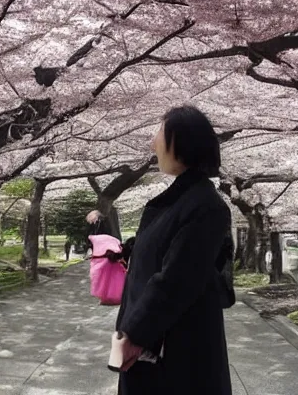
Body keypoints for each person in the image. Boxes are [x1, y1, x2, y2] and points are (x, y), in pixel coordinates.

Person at [114, 105, 235, 395]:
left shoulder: (204, 205)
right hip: (157, 340)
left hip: (177, 348)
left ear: (181, 140)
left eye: (159, 132)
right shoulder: (181, 200)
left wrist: (135, 333)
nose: (153, 143)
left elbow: (177, 279)